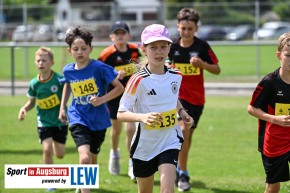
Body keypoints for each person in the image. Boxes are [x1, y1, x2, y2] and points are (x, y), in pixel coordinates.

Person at [117, 24, 194, 193]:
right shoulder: (138, 80)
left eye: (163, 47)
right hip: (145, 146)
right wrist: (142, 117)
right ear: (144, 49)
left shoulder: (176, 75)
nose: (159, 52)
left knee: (167, 190)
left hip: (169, 141)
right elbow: (121, 113)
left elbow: (172, 99)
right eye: (153, 48)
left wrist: (182, 112)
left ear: (169, 48)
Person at [58, 26, 124, 193]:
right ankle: (83, 187)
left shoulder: (99, 67)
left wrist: (102, 99)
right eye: (75, 49)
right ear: (69, 51)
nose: (80, 52)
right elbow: (67, 84)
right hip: (78, 117)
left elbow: (119, 88)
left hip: (99, 120)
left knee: (92, 159)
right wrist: (62, 107)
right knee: (85, 157)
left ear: (90, 49)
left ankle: (82, 184)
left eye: (83, 48)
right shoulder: (68, 70)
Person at [166, 8, 221, 191]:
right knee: (183, 130)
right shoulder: (171, 46)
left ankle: (179, 167)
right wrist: (166, 66)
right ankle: (183, 174)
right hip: (178, 98)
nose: (186, 32)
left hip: (197, 100)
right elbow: (162, 63)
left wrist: (203, 64)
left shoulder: (202, 47)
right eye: (183, 28)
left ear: (196, 28)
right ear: (178, 27)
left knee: (187, 138)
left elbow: (217, 69)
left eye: (190, 28)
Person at [18, 46, 68, 192]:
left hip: (60, 121)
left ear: (51, 62)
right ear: (35, 63)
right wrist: (24, 109)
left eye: (44, 60)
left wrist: (63, 109)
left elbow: (67, 93)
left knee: (60, 155)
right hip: (44, 121)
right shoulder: (34, 83)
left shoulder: (59, 80)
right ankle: (50, 182)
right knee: (46, 150)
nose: (41, 63)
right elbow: (32, 102)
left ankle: (53, 144)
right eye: (38, 60)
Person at [98, 21, 142, 180]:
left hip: (132, 94)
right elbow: (98, 74)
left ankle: (132, 162)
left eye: (123, 32)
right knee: (116, 130)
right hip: (114, 94)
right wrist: (114, 77)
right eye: (117, 33)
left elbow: (141, 65)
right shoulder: (106, 54)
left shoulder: (134, 50)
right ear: (111, 37)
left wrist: (139, 67)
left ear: (128, 35)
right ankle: (114, 154)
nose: (120, 35)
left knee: (131, 129)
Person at [247, 32, 290, 193]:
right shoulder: (270, 82)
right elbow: (251, 108)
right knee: (273, 187)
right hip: (274, 142)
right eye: (288, 55)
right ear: (279, 55)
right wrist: (274, 119)